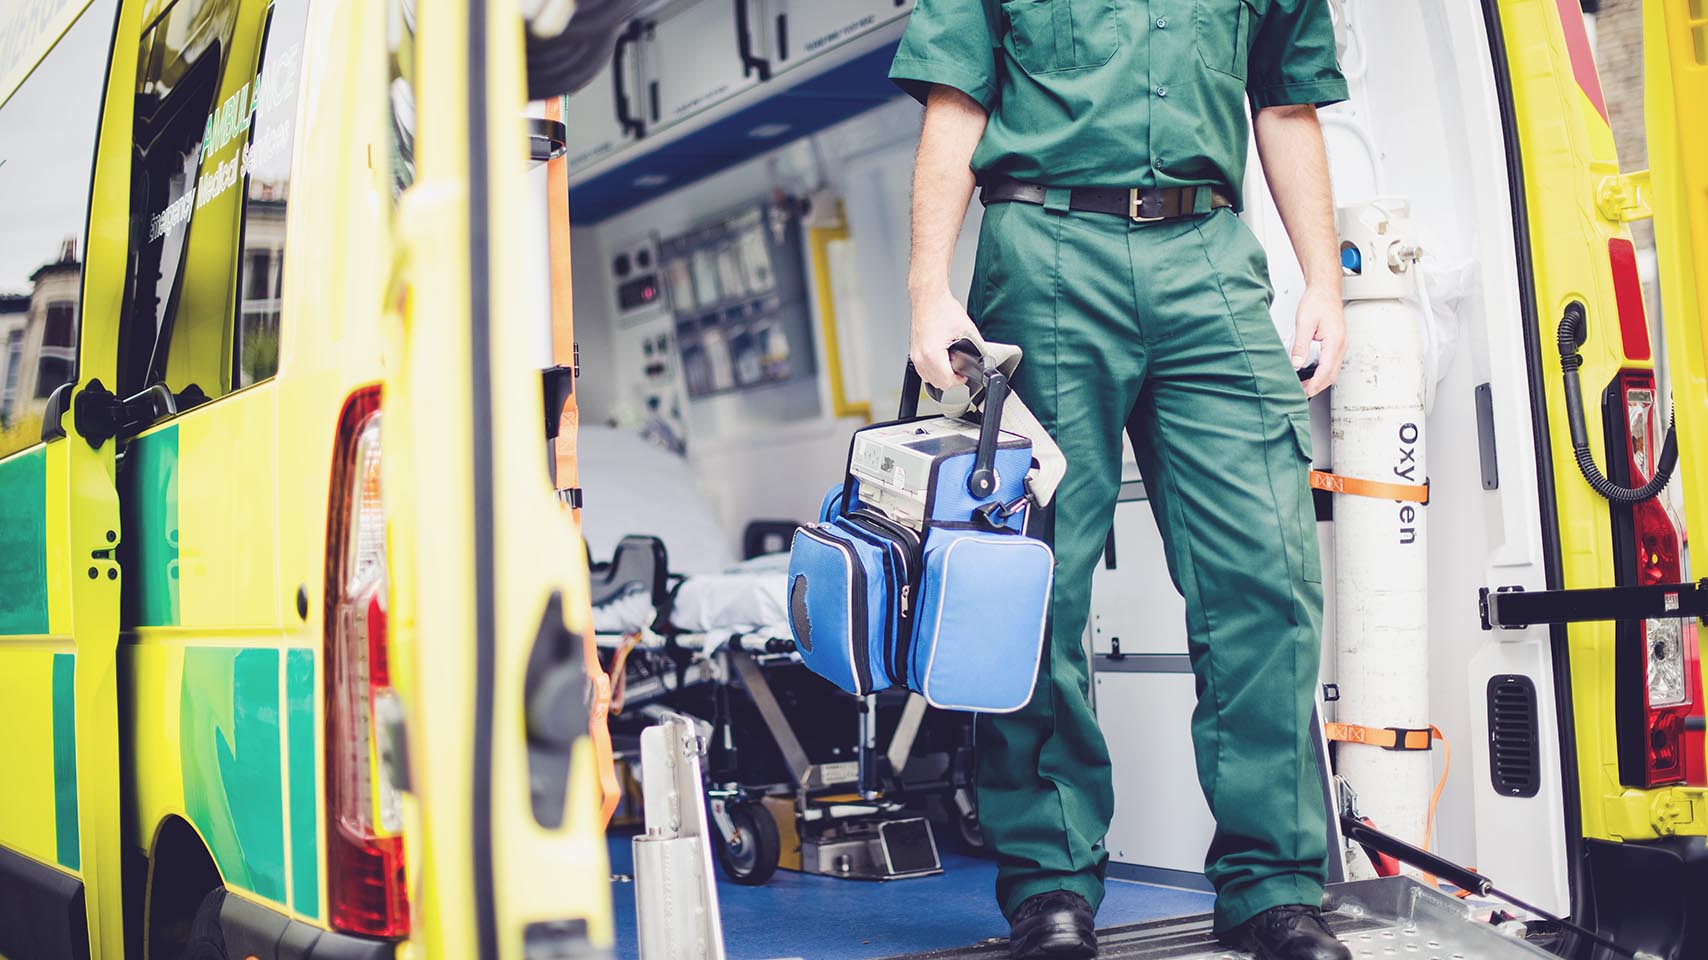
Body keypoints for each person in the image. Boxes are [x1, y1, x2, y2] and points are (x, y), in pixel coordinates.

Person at [890, 3, 1350, 959]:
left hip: (1210, 259)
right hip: (1046, 247)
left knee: (1266, 574)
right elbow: (956, 98)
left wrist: (1324, 282)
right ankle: (1051, 886)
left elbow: (1287, 103)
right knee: (1036, 589)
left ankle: (1272, 885)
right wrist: (928, 289)